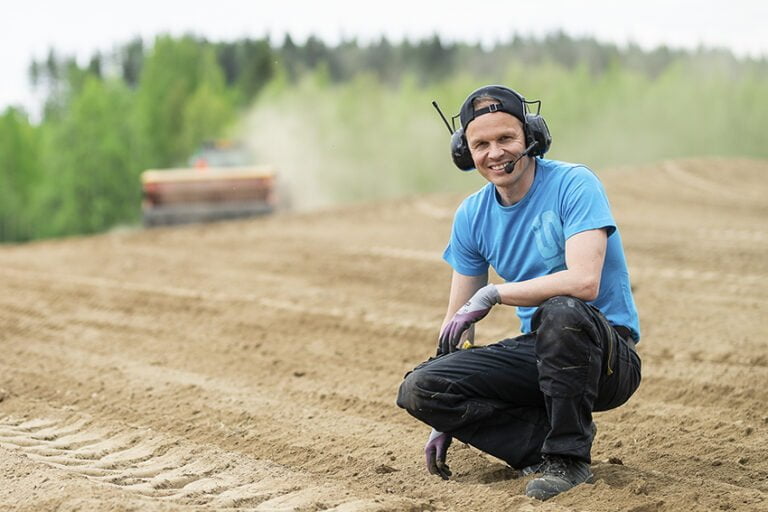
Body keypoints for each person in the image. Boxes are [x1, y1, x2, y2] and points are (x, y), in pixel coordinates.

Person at [396, 85, 642, 501]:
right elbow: (458, 323)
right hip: (542, 356)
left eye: (506, 138)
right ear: (465, 153)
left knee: (561, 311)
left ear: (531, 138)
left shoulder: (573, 184)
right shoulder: (472, 215)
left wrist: (495, 293)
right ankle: (539, 446)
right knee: (420, 386)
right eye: (481, 144)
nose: (495, 153)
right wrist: (444, 417)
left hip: (606, 356)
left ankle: (569, 460)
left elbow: (585, 282)